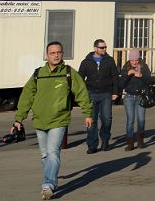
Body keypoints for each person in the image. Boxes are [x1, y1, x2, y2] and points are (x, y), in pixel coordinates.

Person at [11, 41, 94, 200]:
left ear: (62, 54)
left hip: (59, 120)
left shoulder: (69, 73)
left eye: (59, 52)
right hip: (40, 121)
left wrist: (88, 113)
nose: (56, 55)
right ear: (47, 55)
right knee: (44, 155)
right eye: (52, 53)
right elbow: (26, 97)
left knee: (52, 153)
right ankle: (50, 179)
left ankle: (48, 184)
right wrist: (18, 119)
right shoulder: (38, 74)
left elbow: (82, 93)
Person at [78, 38, 119, 153]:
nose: (104, 49)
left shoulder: (109, 61)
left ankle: (105, 141)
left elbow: (115, 77)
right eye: (102, 47)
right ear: (95, 48)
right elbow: (80, 79)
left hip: (106, 93)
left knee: (107, 119)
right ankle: (92, 145)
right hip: (90, 94)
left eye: (105, 47)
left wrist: (115, 92)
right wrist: (81, 94)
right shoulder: (86, 62)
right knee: (91, 120)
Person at [119, 49, 152, 150]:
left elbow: (149, 80)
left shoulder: (144, 67)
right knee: (130, 120)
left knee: (141, 119)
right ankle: (130, 142)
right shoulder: (126, 67)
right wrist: (127, 75)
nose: (134, 62)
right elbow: (121, 84)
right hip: (129, 97)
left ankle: (140, 140)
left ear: (139, 59)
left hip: (140, 96)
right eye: (132, 60)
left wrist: (141, 75)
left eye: (136, 60)